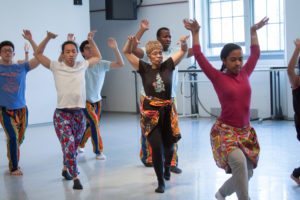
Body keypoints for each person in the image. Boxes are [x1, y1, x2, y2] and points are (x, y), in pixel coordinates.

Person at [184, 17, 269, 200]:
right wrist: (195, 33)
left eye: (240, 59)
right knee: (238, 162)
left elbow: (255, 54)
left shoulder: (245, 73)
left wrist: (253, 32)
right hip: (225, 132)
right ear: (224, 60)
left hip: (245, 132)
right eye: (233, 60)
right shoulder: (217, 77)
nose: (238, 63)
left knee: (248, 173)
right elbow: (199, 56)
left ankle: (221, 193)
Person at [34, 30, 101, 190]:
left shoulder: (82, 65)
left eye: (73, 51)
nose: (71, 54)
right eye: (67, 52)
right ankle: (76, 177)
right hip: (62, 115)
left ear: (78, 53)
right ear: (62, 54)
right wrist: (48, 38)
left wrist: (90, 40)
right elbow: (38, 53)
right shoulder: (55, 66)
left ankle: (65, 169)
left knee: (72, 147)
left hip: (79, 115)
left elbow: (97, 56)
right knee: (69, 145)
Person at [123, 34, 187, 193]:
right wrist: (130, 42)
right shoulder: (143, 68)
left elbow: (183, 51)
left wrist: (184, 42)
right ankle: (160, 182)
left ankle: (166, 168)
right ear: (149, 56)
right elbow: (126, 52)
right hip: (151, 113)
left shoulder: (168, 65)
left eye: (160, 52)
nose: (159, 55)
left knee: (170, 146)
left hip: (167, 112)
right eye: (155, 53)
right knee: (157, 148)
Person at [132, 19, 193, 173]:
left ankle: (172, 162)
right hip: (148, 98)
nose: (168, 39)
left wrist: (194, 32)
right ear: (158, 39)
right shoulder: (149, 51)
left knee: (172, 130)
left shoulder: (174, 51)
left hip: (169, 98)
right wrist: (142, 30)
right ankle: (148, 157)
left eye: (169, 36)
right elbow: (133, 50)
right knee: (150, 129)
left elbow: (193, 51)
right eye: (165, 36)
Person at [0, 30, 39, 176]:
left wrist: (31, 39)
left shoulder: (22, 67)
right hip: (4, 110)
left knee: (19, 139)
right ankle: (14, 167)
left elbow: (39, 58)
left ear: (14, 54)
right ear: (0, 53)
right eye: (4, 51)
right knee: (13, 137)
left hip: (22, 109)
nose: (7, 53)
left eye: (10, 50)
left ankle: (12, 151)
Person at [77, 37, 124, 160]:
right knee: (94, 123)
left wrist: (115, 49)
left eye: (92, 47)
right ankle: (98, 151)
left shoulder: (102, 64)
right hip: (84, 101)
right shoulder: (81, 66)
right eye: (87, 48)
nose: (91, 50)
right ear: (82, 53)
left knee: (91, 125)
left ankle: (80, 144)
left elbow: (120, 64)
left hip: (97, 101)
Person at [287, 38, 300, 185]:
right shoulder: (297, 81)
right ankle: (296, 174)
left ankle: (296, 174)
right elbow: (289, 69)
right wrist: (297, 49)